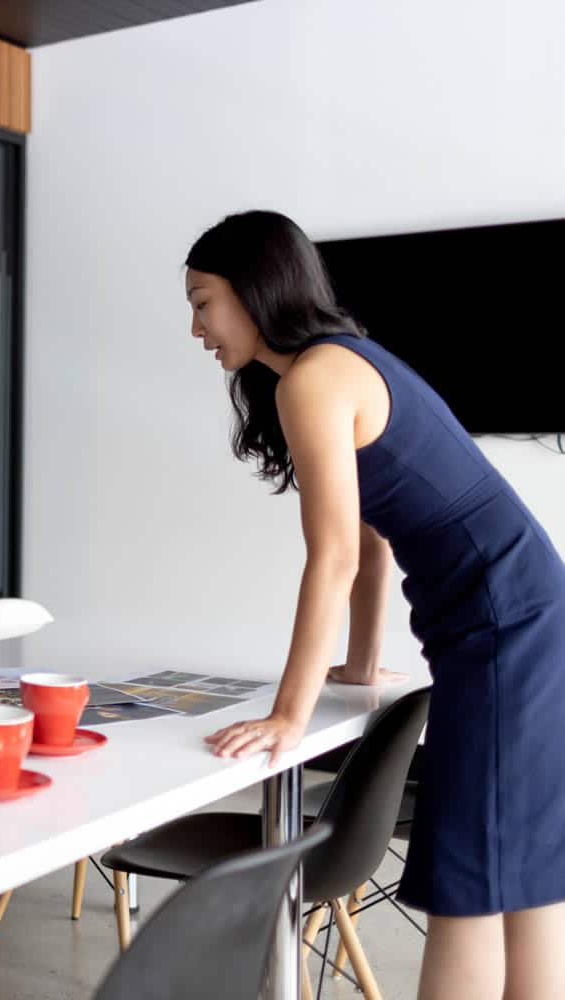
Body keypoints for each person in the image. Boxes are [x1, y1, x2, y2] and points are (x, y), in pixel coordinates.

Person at [188, 210, 565, 999]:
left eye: (203, 301)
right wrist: (359, 662)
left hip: (502, 626)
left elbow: (332, 556)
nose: (196, 327)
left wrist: (290, 715)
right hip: (522, 612)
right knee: (522, 872)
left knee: (472, 871)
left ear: (255, 293)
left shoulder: (313, 379)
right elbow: (373, 540)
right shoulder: (343, 359)